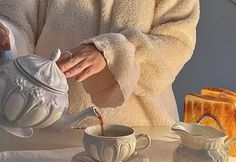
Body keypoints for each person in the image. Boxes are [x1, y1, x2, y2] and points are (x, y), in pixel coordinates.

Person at [0, 0, 199, 127]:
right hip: (45, 121)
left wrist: (113, 52)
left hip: (138, 132)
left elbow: (177, 43)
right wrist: (7, 33)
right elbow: (17, 17)